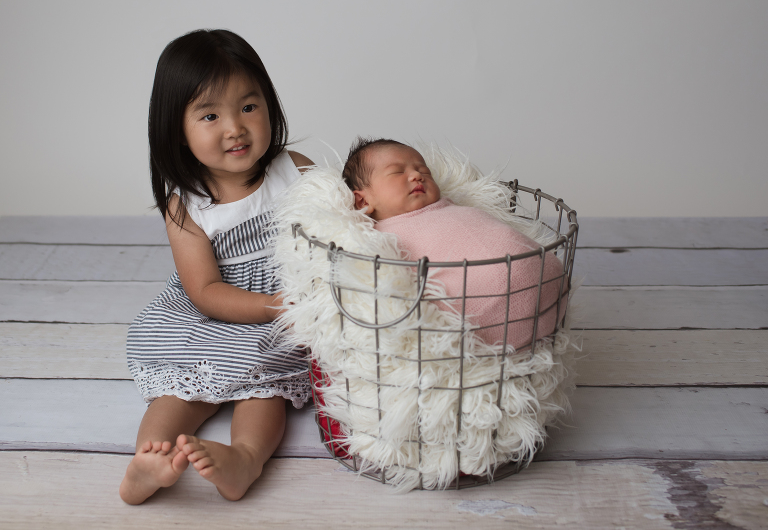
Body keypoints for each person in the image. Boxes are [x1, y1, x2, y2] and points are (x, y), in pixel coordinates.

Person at [120, 29, 313, 505]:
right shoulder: (186, 207)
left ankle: (244, 458)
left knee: (265, 389)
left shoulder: (296, 170)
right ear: (176, 130)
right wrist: (275, 306)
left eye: (249, 107)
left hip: (285, 310)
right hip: (218, 310)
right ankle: (150, 460)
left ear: (269, 105)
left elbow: (341, 227)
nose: (235, 128)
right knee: (182, 386)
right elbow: (204, 288)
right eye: (210, 115)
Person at [343, 138, 568, 350]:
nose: (416, 176)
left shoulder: (455, 207)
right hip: (482, 309)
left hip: (546, 280)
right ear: (363, 200)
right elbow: (397, 285)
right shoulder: (380, 238)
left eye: (423, 171)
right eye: (398, 172)